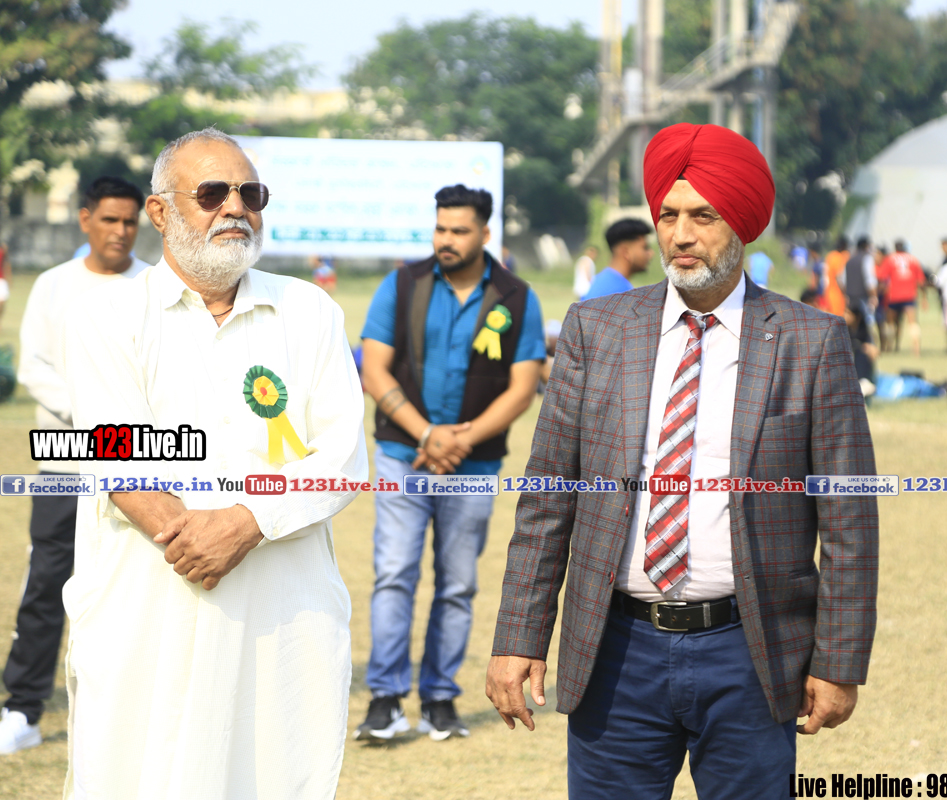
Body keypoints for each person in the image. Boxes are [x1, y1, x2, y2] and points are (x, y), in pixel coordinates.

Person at [486, 123, 879, 799]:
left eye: (703, 216)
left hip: (751, 652)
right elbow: (548, 498)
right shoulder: (597, 329)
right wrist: (518, 635)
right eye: (668, 216)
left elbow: (848, 520)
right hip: (616, 652)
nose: (681, 235)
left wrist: (838, 660)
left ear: (743, 224)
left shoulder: (811, 342)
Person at [59, 128, 368, 798]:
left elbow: (343, 456)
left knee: (271, 775)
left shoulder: (308, 310)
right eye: (212, 193)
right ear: (160, 211)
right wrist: (196, 539)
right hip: (152, 610)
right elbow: (118, 460)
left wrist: (247, 520)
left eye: (250, 194)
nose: (235, 208)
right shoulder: (106, 314)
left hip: (281, 616)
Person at [357, 184, 545, 743]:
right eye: (440, 228)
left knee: (458, 585)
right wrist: (427, 434)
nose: (446, 239)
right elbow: (374, 369)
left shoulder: (516, 296)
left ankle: (440, 699)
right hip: (402, 458)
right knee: (394, 576)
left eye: (459, 231)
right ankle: (386, 699)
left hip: (475, 467)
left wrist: (459, 440)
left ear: (485, 234)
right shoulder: (402, 284)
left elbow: (523, 387)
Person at [1, 177, 152, 756]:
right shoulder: (54, 285)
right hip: (65, 458)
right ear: (85, 219)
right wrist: (94, 415)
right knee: (47, 581)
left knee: (133, 588)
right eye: (110, 220)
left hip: (139, 461)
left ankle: (127, 713)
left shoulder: (155, 286)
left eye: (130, 221)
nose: (120, 231)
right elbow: (34, 369)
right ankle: (23, 709)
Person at [581, 218, 654, 301]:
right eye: (645, 248)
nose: (651, 253)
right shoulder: (620, 293)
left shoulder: (601, 282)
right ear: (626, 252)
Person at [876, 239, 926, 356]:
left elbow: (882, 278)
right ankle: (916, 348)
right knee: (912, 323)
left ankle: (889, 347)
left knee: (890, 323)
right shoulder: (913, 259)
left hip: (893, 296)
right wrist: (924, 297)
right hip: (909, 296)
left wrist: (879, 293)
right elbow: (921, 281)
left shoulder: (890, 259)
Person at [841, 235, 876, 343]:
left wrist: (846, 294)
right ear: (866, 246)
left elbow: (841, 280)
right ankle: (868, 344)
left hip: (851, 296)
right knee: (867, 322)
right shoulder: (867, 258)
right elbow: (869, 280)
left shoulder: (849, 260)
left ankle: (852, 343)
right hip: (863, 296)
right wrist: (873, 296)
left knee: (852, 324)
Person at [819, 235, 849, 315]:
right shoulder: (840, 257)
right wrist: (845, 293)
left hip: (829, 292)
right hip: (838, 293)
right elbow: (839, 278)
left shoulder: (830, 255)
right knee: (839, 316)